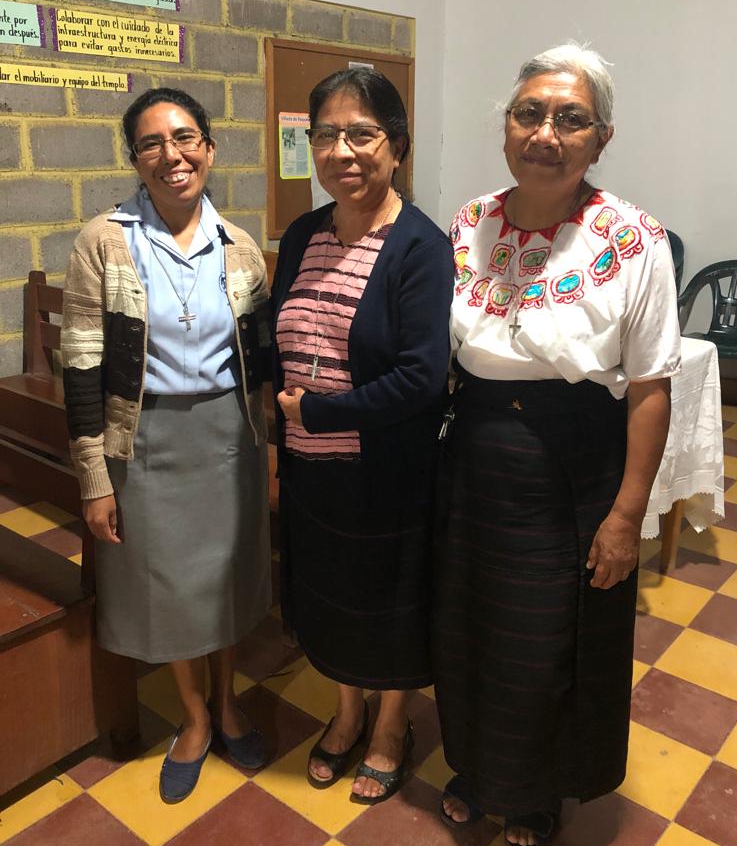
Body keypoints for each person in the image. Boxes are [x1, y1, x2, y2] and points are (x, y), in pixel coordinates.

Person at [433, 44, 681, 846]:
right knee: (471, 624)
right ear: (506, 127)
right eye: (529, 114)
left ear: (601, 139)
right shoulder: (470, 221)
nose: (546, 133)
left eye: (571, 119)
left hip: (572, 468)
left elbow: (650, 388)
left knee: (546, 639)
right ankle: (476, 766)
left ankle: (536, 790)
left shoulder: (633, 239)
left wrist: (627, 516)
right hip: (476, 458)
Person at [62, 88, 272, 803]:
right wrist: (94, 477)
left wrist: (270, 444)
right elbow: (82, 363)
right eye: (151, 143)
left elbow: (260, 361)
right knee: (167, 583)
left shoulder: (240, 247)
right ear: (134, 159)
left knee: (226, 576)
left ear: (208, 148)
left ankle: (228, 701)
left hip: (228, 436)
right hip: (145, 438)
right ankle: (193, 715)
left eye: (185, 138)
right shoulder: (103, 241)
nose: (171, 155)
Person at [271, 68, 453, 804]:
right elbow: (279, 338)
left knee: (389, 599)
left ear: (397, 146)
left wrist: (316, 414)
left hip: (388, 473)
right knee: (333, 596)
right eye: (325, 135)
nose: (341, 150)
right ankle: (347, 713)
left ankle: (391, 726)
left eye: (361, 134)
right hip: (311, 470)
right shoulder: (302, 235)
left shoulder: (420, 247)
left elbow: (422, 378)